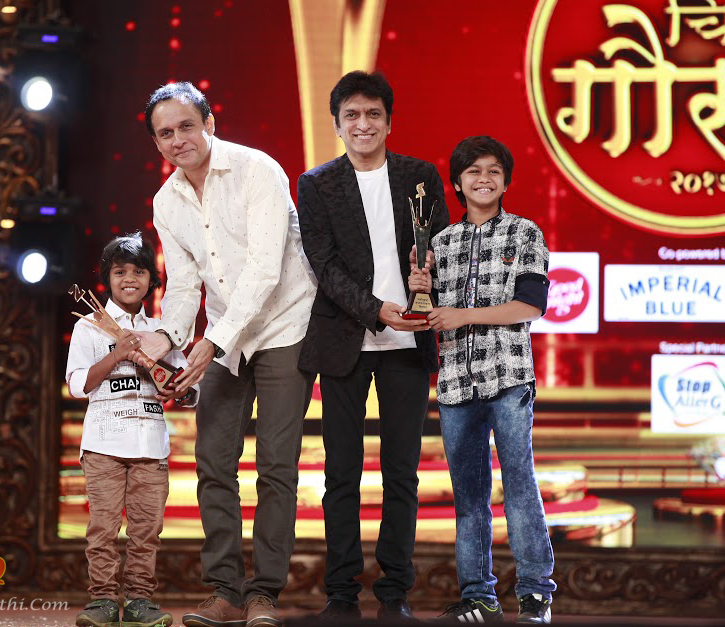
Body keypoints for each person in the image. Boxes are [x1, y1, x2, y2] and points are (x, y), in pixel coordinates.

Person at [133, 82, 317, 627]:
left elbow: (265, 269)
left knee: (276, 466)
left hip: (284, 326)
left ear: (209, 124)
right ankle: (225, 590)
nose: (178, 140)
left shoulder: (258, 170)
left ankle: (265, 594)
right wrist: (168, 339)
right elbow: (183, 284)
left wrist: (212, 341)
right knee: (213, 462)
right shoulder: (166, 201)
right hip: (223, 336)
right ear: (156, 143)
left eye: (186, 126)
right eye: (165, 133)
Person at [296, 70, 449, 621]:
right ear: (338, 125)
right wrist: (373, 309)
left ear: (389, 121)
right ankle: (341, 593)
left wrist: (428, 278)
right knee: (341, 472)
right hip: (345, 341)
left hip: (408, 342)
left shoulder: (419, 176)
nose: (364, 124)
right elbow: (323, 263)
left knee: (401, 471)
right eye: (352, 116)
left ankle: (394, 593)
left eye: (373, 114)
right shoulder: (317, 184)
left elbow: (440, 247)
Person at [409, 136, 556, 624]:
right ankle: (479, 598)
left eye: (494, 170)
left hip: (508, 378)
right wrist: (418, 291)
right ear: (457, 183)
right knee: (468, 498)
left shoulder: (525, 233)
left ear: (506, 181)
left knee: (519, 485)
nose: (484, 179)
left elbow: (530, 306)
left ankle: (535, 595)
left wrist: (463, 315)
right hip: (455, 383)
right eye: (473, 171)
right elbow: (428, 314)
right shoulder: (440, 243)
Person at [68, 232, 198, 627]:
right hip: (103, 444)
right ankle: (103, 601)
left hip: (151, 445)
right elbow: (78, 384)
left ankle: (140, 601)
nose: (129, 279)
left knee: (147, 530)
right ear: (107, 277)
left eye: (139, 272)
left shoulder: (163, 330)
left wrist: (179, 389)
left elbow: (190, 391)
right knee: (103, 528)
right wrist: (118, 355)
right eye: (120, 271)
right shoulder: (89, 327)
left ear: (151, 280)